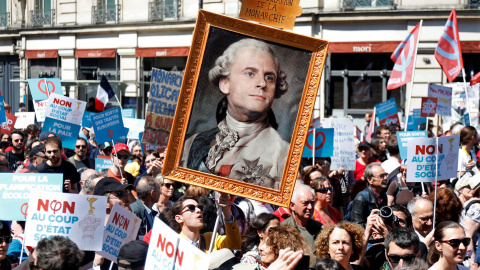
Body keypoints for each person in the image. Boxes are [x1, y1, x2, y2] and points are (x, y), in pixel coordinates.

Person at [181, 38, 289, 190]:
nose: (262, 83)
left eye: (269, 77)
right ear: (225, 84)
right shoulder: (193, 143)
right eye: (250, 73)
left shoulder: (285, 154)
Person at [172, 195, 241, 252]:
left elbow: (234, 244)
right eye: (191, 208)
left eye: (199, 207)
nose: (198, 210)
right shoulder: (173, 244)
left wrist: (225, 210)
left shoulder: (211, 239)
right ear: (179, 218)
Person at [281, 184, 322, 253]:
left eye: (312, 203)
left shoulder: (320, 228)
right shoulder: (283, 230)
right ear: (292, 205)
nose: (310, 207)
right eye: (305, 203)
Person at [349, 162, 387, 227]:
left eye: (386, 175)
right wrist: (373, 225)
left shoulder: (383, 195)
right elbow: (357, 226)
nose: (385, 178)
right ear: (369, 180)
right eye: (381, 176)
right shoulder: (361, 198)